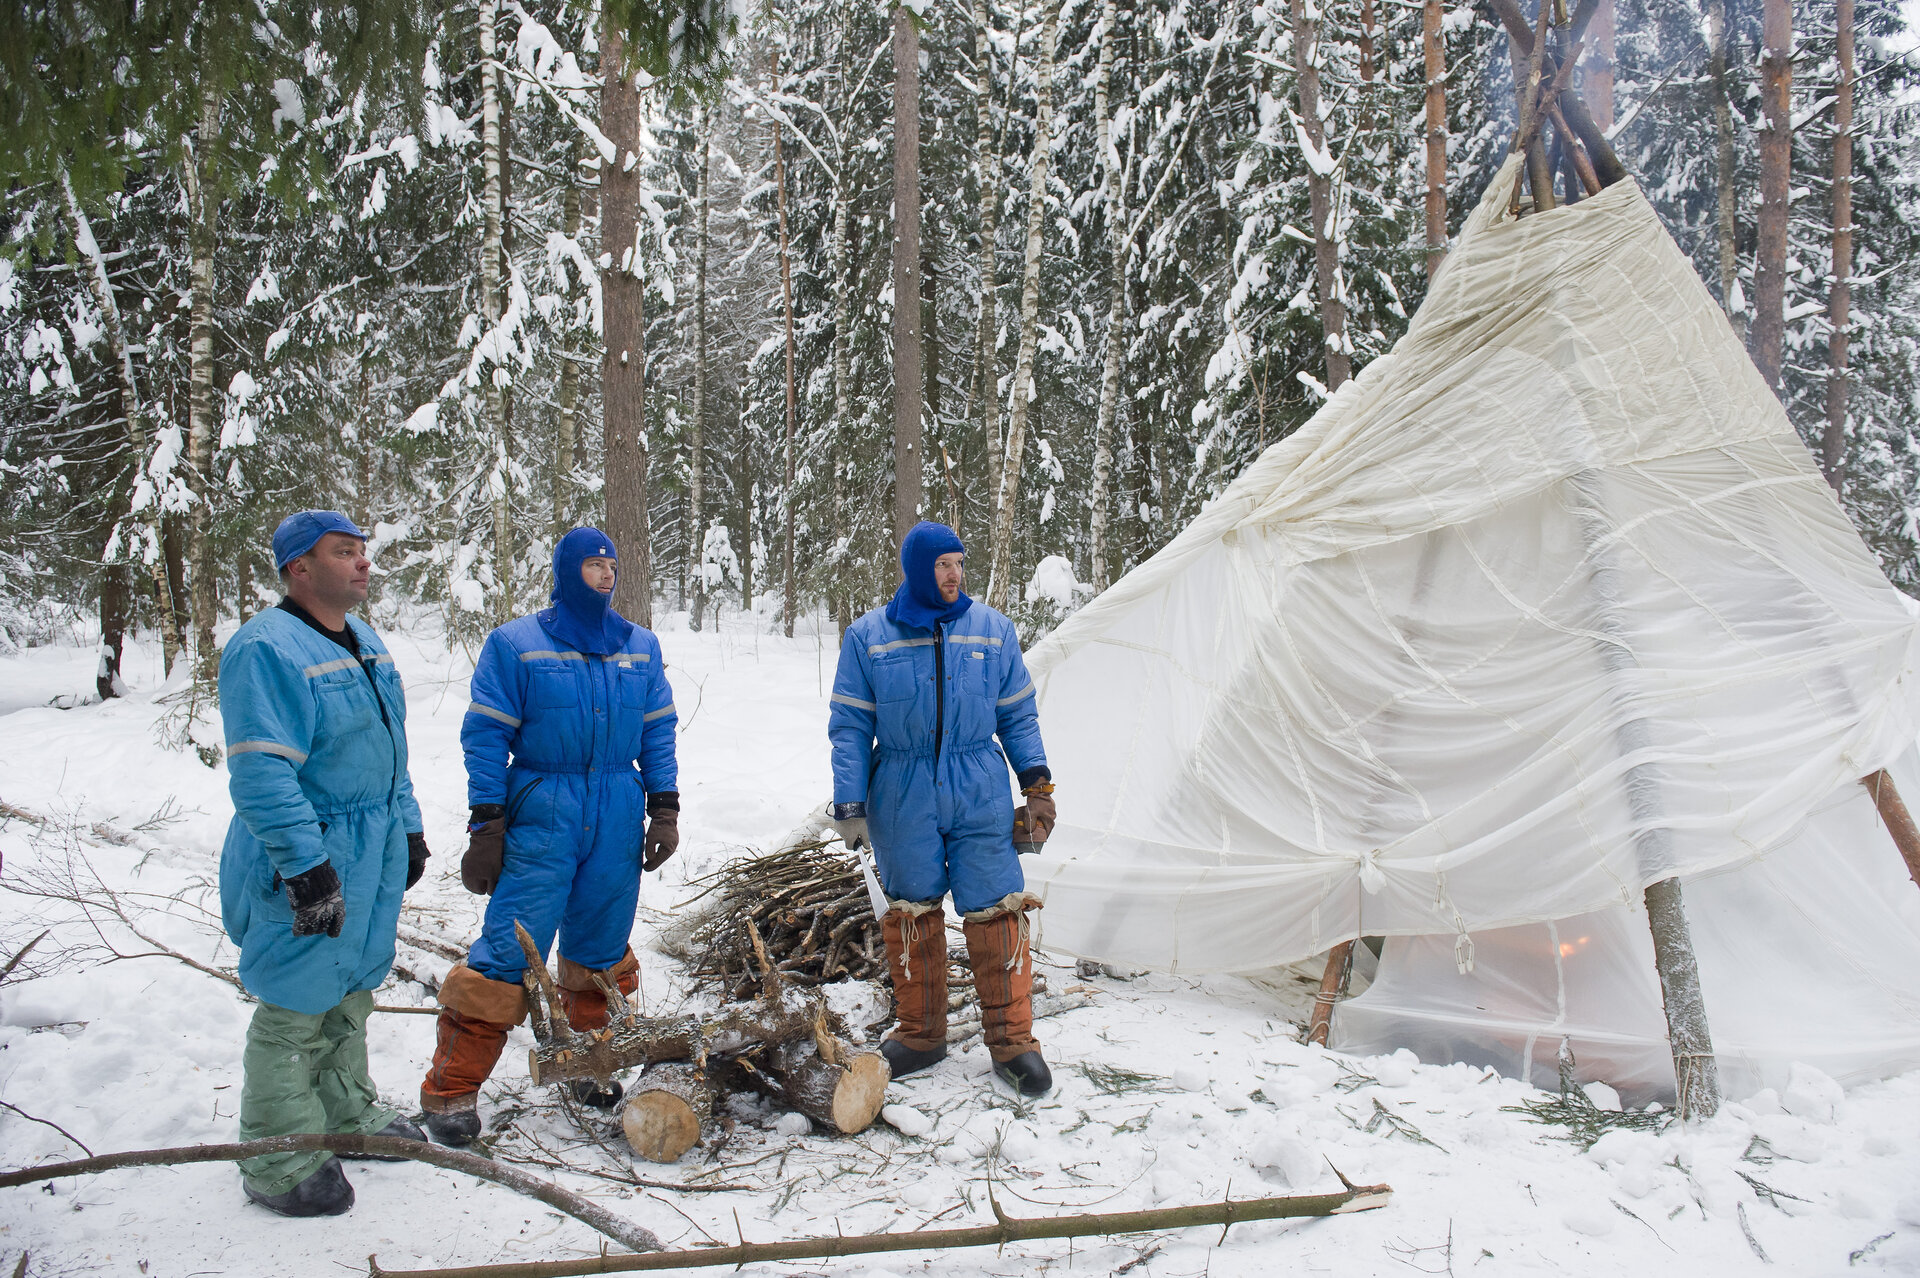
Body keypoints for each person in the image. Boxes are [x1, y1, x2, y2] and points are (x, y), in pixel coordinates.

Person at [419, 527, 679, 1146]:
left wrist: (663, 809)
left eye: (611, 565)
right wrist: (487, 824)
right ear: (567, 572)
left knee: (600, 949)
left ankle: (589, 1065)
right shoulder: (516, 644)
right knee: (511, 949)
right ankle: (451, 1089)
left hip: (618, 809)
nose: (605, 575)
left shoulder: (640, 646)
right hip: (544, 810)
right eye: (592, 565)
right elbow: (485, 736)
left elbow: (659, 732)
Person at [218, 511, 431, 1218]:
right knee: (295, 998)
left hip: (372, 844)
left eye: (364, 552)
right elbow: (261, 775)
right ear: (298, 568)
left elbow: (392, 752)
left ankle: (343, 1116)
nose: (363, 564)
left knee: (350, 988)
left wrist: (409, 830)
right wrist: (306, 867)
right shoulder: (265, 649)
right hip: (308, 846)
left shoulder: (365, 640)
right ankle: (275, 1155)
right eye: (345, 553)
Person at [827, 521, 1058, 1096]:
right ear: (917, 570)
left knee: (999, 909)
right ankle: (920, 1034)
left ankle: (1012, 1043)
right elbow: (850, 725)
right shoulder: (869, 637)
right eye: (943, 565)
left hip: (978, 783)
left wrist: (1037, 785)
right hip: (902, 790)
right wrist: (850, 802)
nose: (955, 575)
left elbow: (1018, 716)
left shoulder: (992, 631)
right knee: (911, 912)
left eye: (960, 563)